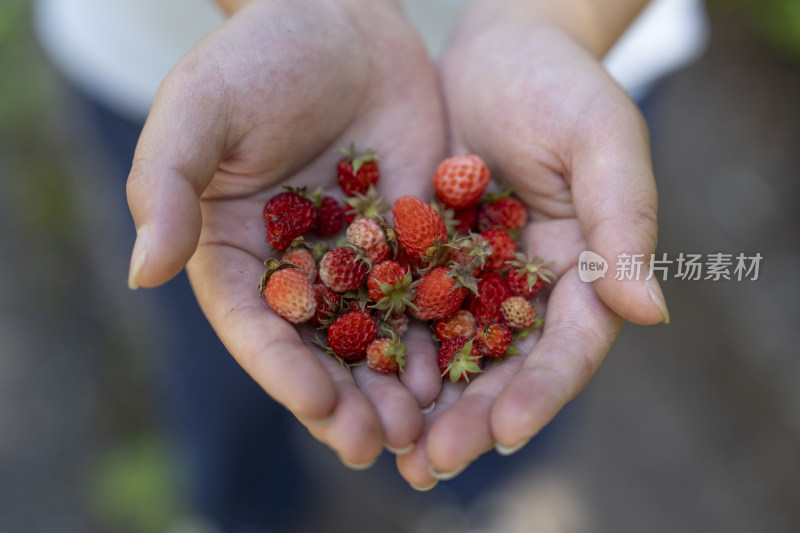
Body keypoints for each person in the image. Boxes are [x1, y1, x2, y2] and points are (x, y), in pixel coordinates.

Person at [36, 0, 707, 528]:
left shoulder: (437, 260)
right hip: (194, 65)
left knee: (512, 396)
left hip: (578, 48)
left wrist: (563, 18)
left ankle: (485, 494)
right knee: (217, 359)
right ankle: (242, 509)